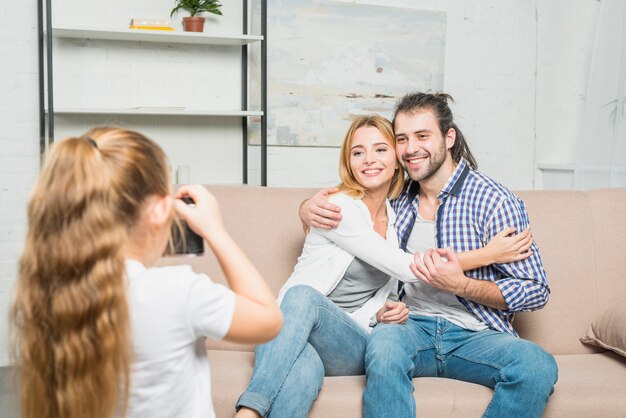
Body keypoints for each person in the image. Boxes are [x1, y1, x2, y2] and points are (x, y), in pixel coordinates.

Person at [235, 115, 533, 418]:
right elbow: (404, 267)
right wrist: (486, 254)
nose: (368, 160)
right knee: (303, 367)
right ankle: (249, 411)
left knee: (303, 299)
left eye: (380, 149)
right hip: (289, 332)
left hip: (346, 343)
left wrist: (381, 313)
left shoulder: (397, 216)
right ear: (348, 162)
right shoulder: (338, 207)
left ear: (396, 160)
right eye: (357, 152)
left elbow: (385, 289)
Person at [303, 92, 558, 418]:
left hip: (476, 333)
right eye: (402, 139)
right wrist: (305, 210)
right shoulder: (394, 198)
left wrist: (464, 286)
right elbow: (342, 218)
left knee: (537, 365)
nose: (411, 148)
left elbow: (536, 291)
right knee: (382, 346)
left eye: (423, 136)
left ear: (449, 137)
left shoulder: (493, 200)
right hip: (409, 325)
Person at [10, 127, 283, 418]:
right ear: (159, 211)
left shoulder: (46, 294)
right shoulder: (177, 290)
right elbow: (269, 319)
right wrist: (215, 230)